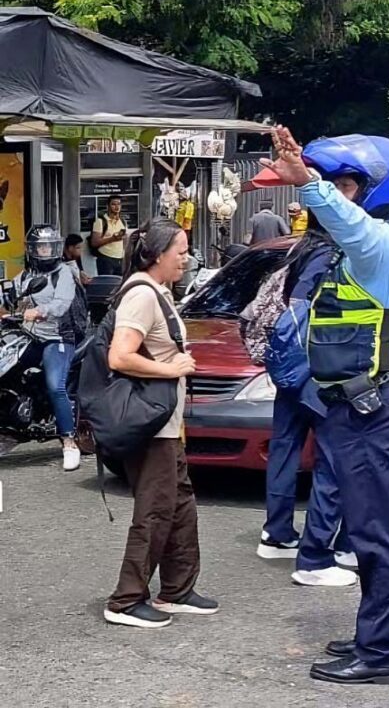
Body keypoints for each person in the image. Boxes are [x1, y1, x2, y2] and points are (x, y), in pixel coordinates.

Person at [257, 127, 389, 686]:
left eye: (345, 185)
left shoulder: (380, 245)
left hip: (370, 408)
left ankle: (380, 654)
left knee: (375, 535)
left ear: (373, 192)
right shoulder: (352, 251)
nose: (334, 197)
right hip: (352, 408)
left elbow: (349, 222)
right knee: (374, 532)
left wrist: (308, 182)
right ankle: (388, 636)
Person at [104, 218, 218, 629]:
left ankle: (177, 589)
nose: (186, 259)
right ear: (155, 255)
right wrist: (172, 369)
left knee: (180, 505)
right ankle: (125, 600)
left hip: (167, 425)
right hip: (151, 427)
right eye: (180, 251)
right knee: (155, 510)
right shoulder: (142, 294)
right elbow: (119, 356)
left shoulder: (158, 290)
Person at [252, 212, 356, 585]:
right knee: (334, 454)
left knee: (285, 448)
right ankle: (327, 547)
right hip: (316, 365)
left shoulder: (300, 249)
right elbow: (303, 306)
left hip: (288, 366)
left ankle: (277, 532)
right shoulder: (330, 254)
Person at [12, 226, 81, 471]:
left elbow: (61, 303)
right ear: (32, 250)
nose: (45, 250)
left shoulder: (63, 272)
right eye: (40, 246)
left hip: (58, 338)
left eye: (49, 246)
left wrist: (39, 311)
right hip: (30, 336)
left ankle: (69, 442)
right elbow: (10, 292)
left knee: (55, 386)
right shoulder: (26, 276)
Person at [90, 195, 128, 276]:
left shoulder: (123, 221)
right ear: (107, 206)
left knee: (119, 282)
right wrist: (112, 239)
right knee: (107, 282)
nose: (117, 207)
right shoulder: (100, 222)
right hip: (105, 258)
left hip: (120, 258)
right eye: (113, 204)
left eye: (119, 204)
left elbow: (125, 241)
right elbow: (94, 242)